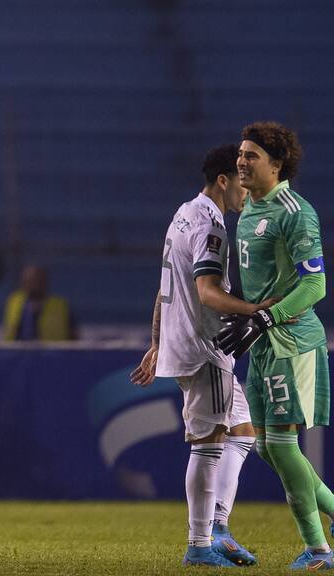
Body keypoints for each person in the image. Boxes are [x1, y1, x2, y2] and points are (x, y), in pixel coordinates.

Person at [131, 144, 272, 567]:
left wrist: (158, 341)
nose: (246, 192)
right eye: (241, 183)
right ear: (223, 181)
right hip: (204, 346)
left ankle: (218, 527)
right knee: (208, 442)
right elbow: (207, 292)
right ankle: (199, 543)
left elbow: (164, 286)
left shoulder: (182, 214)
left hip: (185, 342)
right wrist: (256, 312)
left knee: (243, 432)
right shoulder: (211, 227)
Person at [216, 122, 334, 570]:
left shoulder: (294, 211)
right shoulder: (248, 208)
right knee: (266, 446)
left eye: (252, 156)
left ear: (277, 164)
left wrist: (266, 315)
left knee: (282, 447)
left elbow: (316, 285)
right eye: (241, 154)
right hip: (263, 340)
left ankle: (320, 550)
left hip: (292, 340)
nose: (242, 161)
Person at [3, 265, 75, 340]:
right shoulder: (14, 302)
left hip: (53, 350)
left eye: (36, 280)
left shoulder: (60, 305)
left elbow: (73, 337)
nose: (32, 285)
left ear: (44, 282)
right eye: (28, 281)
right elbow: (9, 331)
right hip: (17, 350)